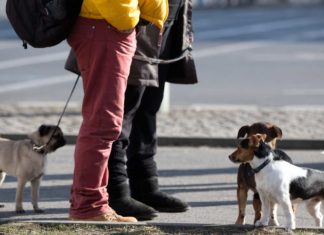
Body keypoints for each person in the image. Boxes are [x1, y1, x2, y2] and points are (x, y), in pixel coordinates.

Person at [66, 0, 168, 222]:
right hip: (107, 26)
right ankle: (88, 206)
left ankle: (95, 202)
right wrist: (127, 21)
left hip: (110, 26)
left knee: (104, 121)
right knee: (103, 122)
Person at [107, 0, 198, 220]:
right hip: (135, 23)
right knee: (121, 114)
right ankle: (115, 191)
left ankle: (145, 186)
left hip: (166, 21)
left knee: (148, 109)